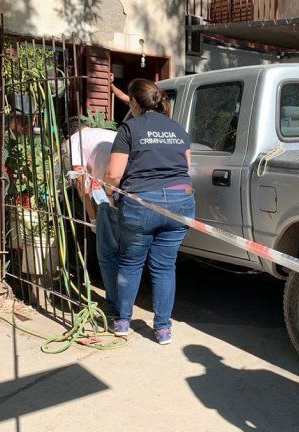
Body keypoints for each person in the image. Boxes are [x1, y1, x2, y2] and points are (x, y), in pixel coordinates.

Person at [104, 78, 194, 345]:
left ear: (133, 101)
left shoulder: (129, 128)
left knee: (131, 263)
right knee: (165, 266)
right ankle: (163, 329)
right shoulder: (178, 129)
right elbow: (186, 168)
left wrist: (110, 194)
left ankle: (122, 322)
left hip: (142, 202)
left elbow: (113, 174)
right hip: (180, 201)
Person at [66, 119, 120, 316]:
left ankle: (115, 305)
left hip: (111, 191)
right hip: (131, 187)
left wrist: (93, 219)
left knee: (108, 252)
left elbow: (81, 180)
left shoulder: (74, 140)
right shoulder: (106, 133)